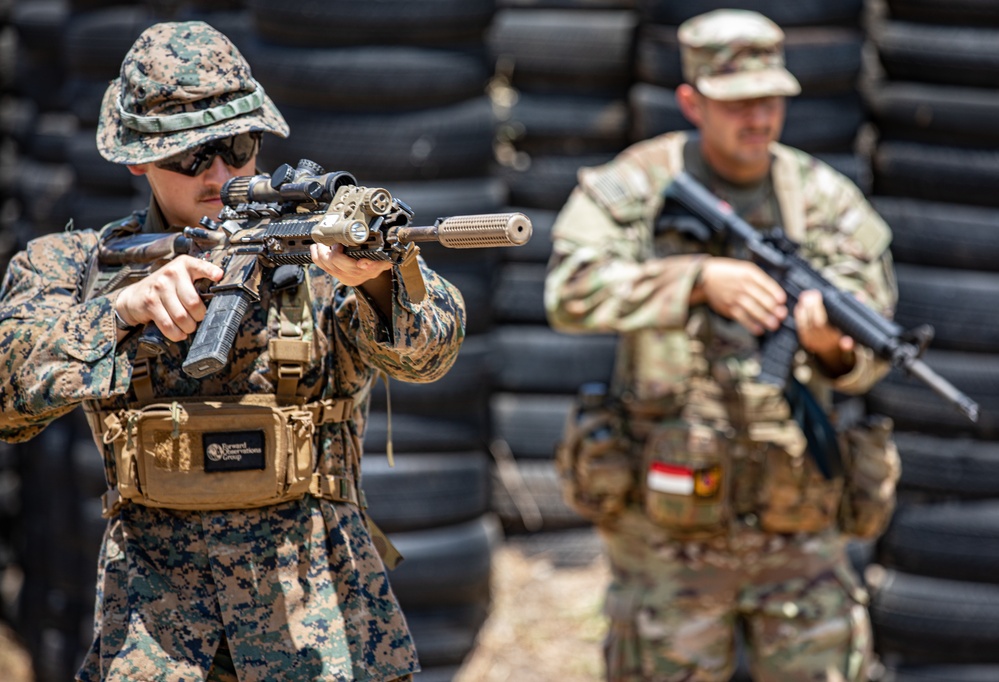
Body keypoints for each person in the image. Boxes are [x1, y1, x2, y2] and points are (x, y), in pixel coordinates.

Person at [0, 21, 465, 682]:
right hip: (154, 639)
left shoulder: (316, 249)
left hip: (326, 632)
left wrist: (381, 286)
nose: (220, 174)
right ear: (136, 158)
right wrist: (118, 313)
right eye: (190, 158)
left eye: (238, 147)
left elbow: (433, 348)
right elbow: (6, 389)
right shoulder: (75, 266)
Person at [545, 9, 900, 682]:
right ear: (690, 101)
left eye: (770, 101)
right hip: (667, 529)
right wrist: (696, 280)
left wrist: (831, 349)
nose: (758, 119)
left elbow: (873, 348)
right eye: (738, 103)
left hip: (796, 523)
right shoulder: (637, 185)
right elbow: (569, 291)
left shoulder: (824, 201)